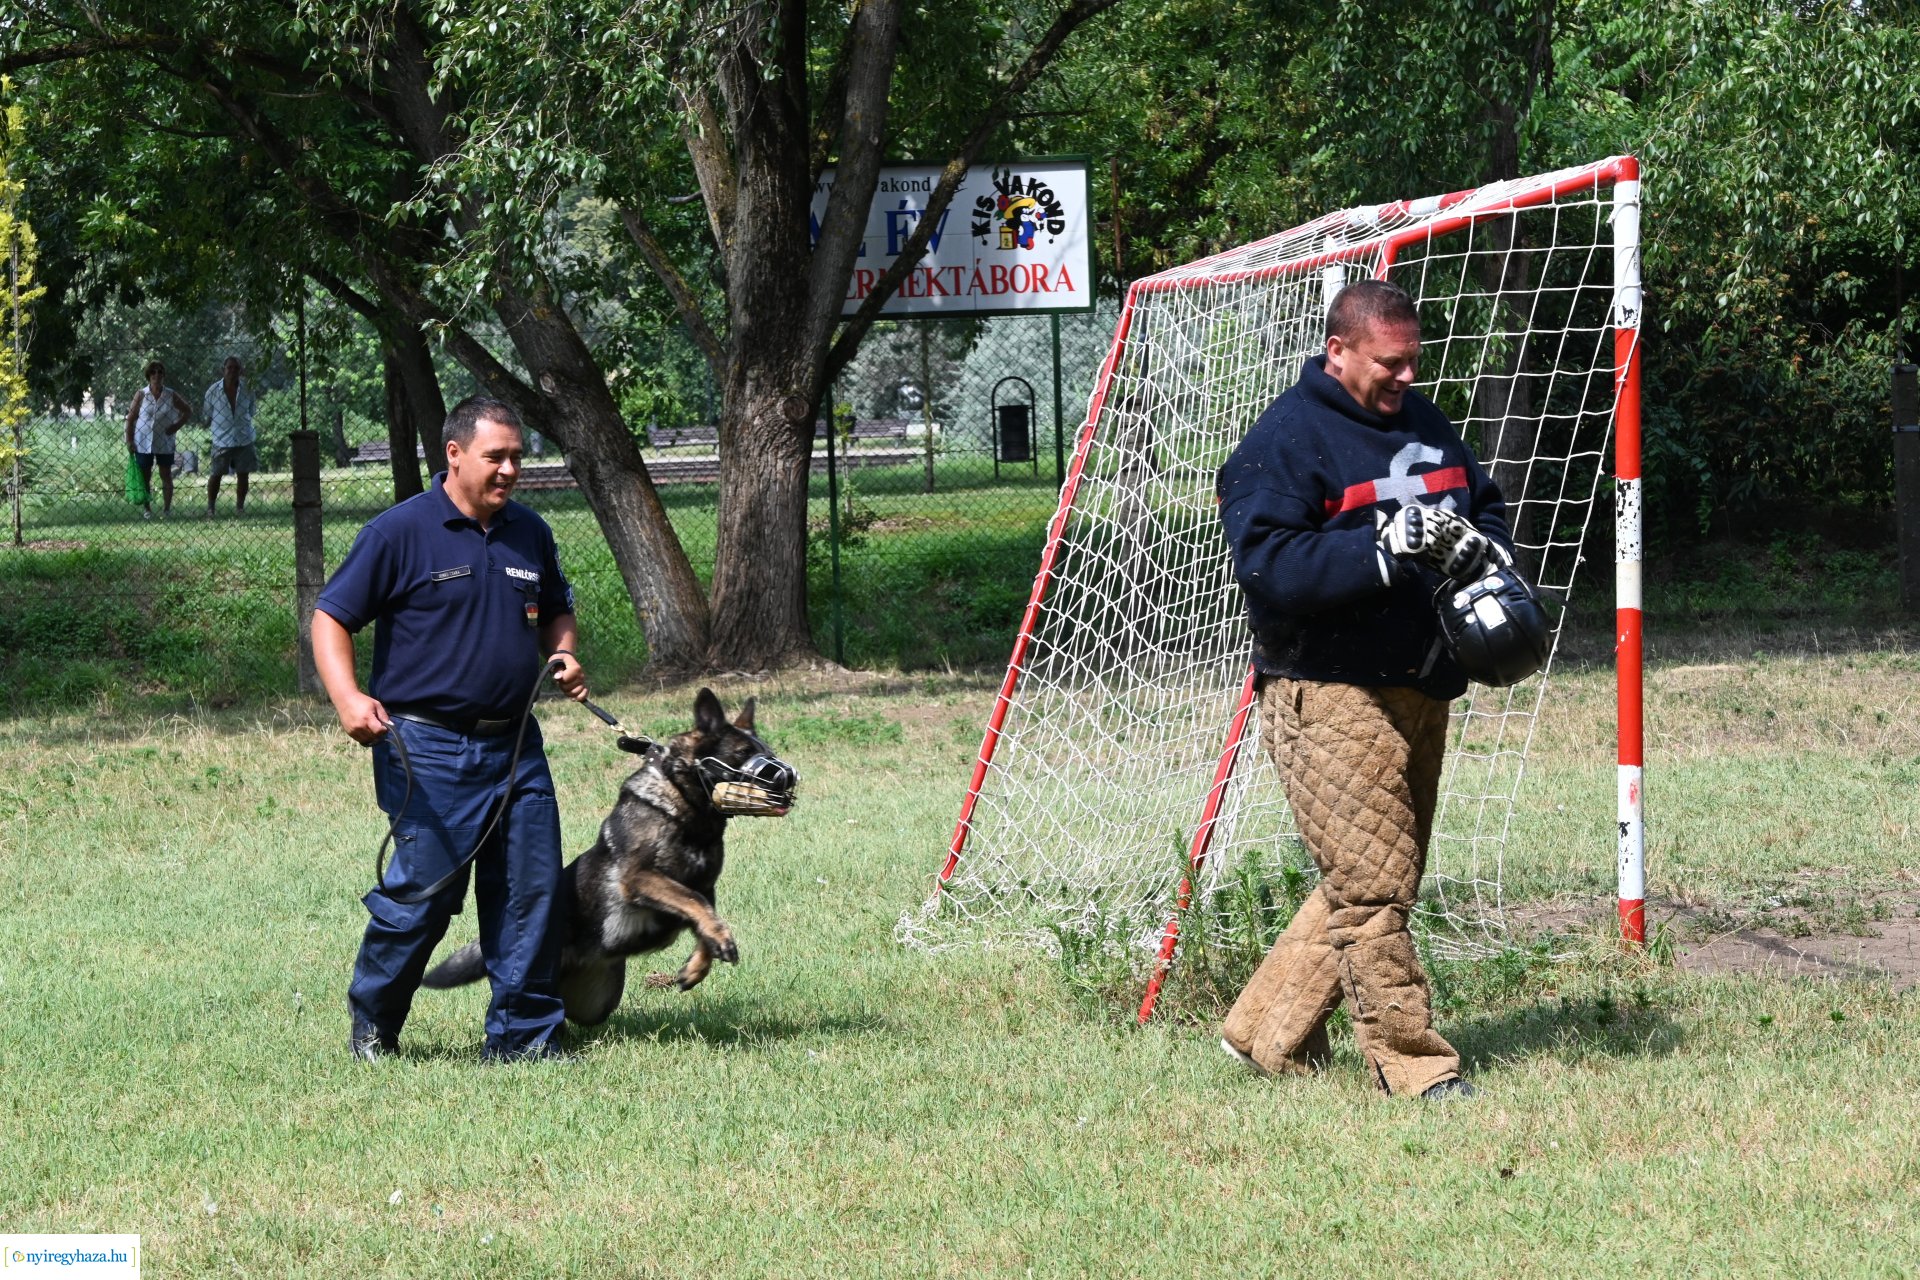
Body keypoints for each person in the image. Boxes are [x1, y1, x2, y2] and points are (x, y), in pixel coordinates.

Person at [1214, 279, 1512, 1102]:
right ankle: (1413, 1067)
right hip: (1327, 689)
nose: (1406, 377)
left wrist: (1485, 554)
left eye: (1414, 361)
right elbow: (1269, 565)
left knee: (1383, 873)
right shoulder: (1283, 441)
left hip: (1424, 684)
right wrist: (1383, 550)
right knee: (1374, 887)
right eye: (1390, 363)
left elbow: (1482, 505)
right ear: (1337, 351)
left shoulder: (1424, 423)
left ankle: (1261, 1035)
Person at [313, 395, 589, 1064]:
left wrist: (566, 651)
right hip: (426, 745)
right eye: (496, 456)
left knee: (528, 891)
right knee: (424, 897)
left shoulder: (531, 532)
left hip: (517, 743)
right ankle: (375, 1024)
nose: (510, 470)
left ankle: (525, 1038)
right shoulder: (399, 532)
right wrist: (349, 699)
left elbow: (554, 610)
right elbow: (331, 619)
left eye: (518, 457)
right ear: (455, 454)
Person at [124, 360, 193, 518]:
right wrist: (129, 439)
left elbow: (187, 411)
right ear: (148, 376)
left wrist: (176, 426)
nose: (157, 375)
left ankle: (167, 510)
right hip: (143, 441)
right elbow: (131, 417)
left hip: (164, 441)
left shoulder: (170, 394)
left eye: (160, 372)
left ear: (163, 375)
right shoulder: (141, 395)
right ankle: (147, 510)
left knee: (166, 474)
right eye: (153, 372)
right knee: (145, 475)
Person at [202, 356, 258, 517]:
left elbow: (252, 410)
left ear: (241, 371)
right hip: (221, 439)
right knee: (216, 474)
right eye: (229, 368)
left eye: (236, 368)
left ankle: (240, 508)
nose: (232, 371)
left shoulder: (248, 388)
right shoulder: (213, 391)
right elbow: (207, 413)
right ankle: (211, 508)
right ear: (223, 370)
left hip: (243, 437)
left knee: (243, 473)